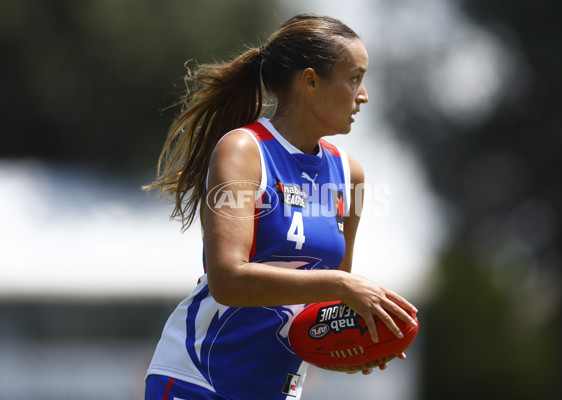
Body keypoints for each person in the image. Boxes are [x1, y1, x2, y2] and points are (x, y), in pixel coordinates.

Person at [143, 13, 418, 400]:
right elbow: (227, 279)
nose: (364, 95)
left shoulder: (349, 174)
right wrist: (342, 284)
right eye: (354, 78)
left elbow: (322, 308)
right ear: (310, 81)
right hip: (199, 379)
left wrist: (356, 341)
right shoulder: (244, 150)